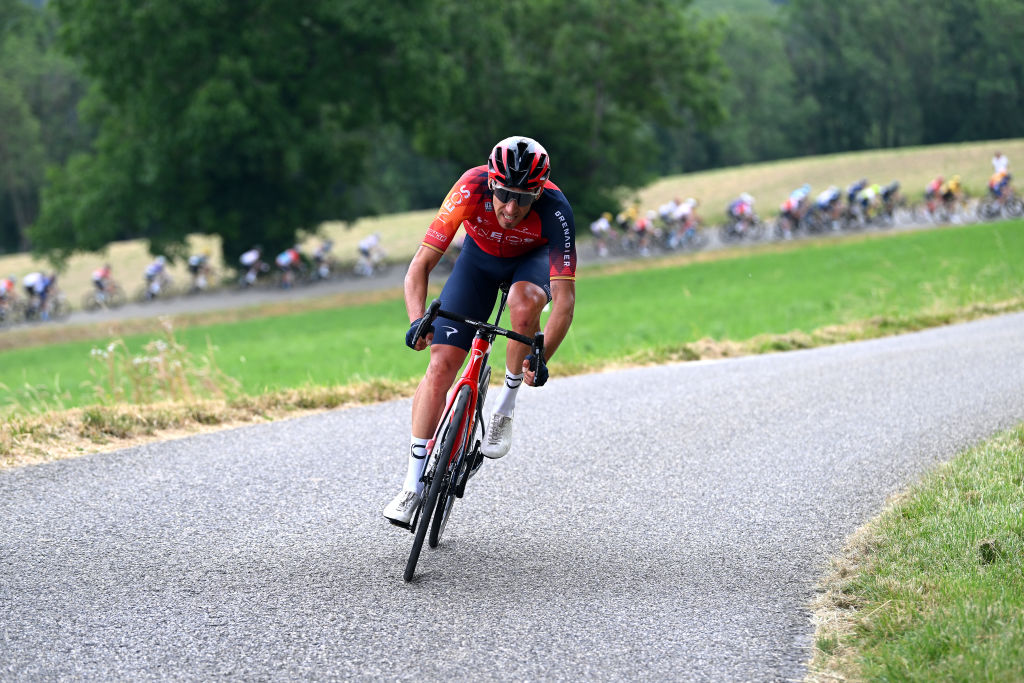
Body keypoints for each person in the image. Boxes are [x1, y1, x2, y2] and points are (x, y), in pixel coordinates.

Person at [384, 135, 577, 527]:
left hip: (531, 262)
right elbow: (419, 266)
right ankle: (411, 486)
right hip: (479, 261)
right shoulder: (469, 187)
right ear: (491, 182)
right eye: (505, 194)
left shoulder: (556, 211)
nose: (511, 207)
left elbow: (565, 299)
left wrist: (542, 357)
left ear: (539, 192)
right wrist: (416, 319)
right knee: (440, 366)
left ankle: (505, 404)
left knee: (523, 306)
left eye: (524, 198)